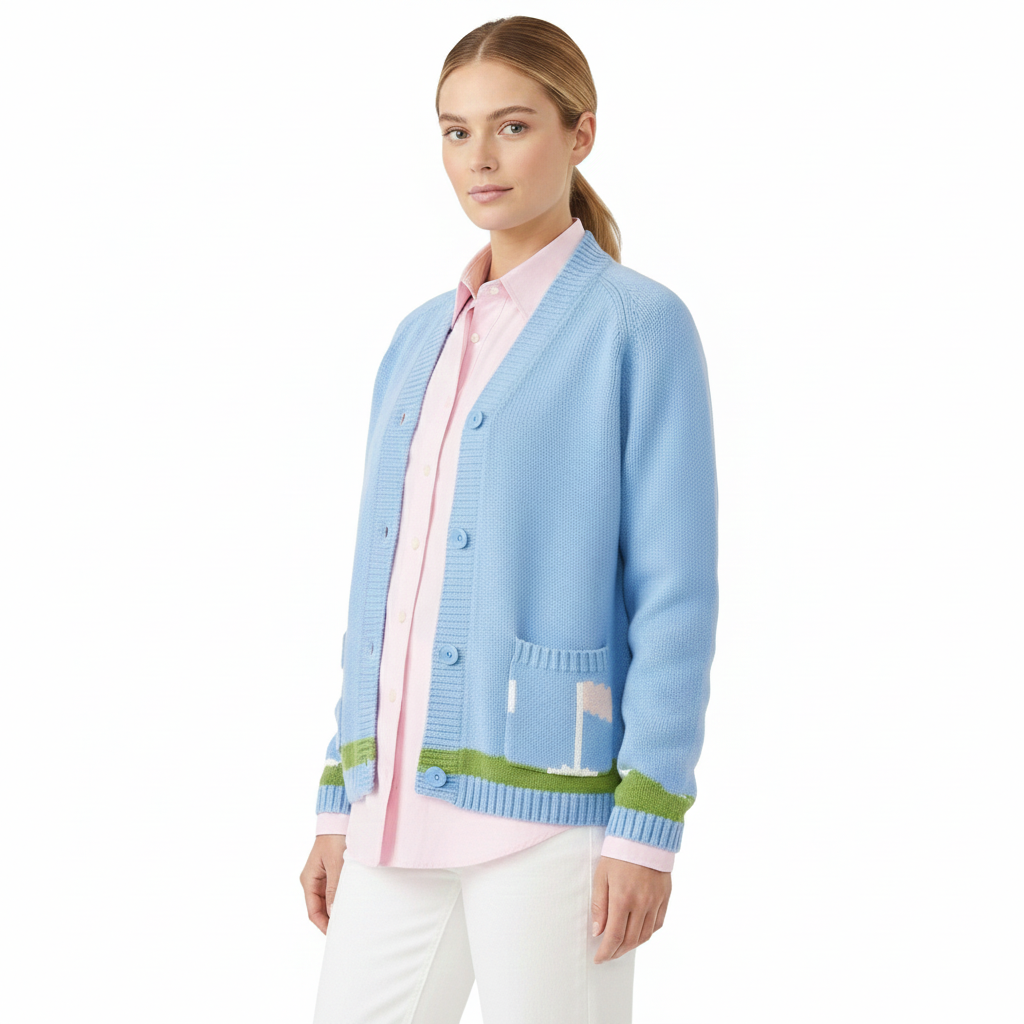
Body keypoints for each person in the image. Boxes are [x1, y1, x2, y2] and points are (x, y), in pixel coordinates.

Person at [299, 15, 719, 1023]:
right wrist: (338, 793)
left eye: (513, 126)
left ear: (581, 134)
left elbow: (674, 591)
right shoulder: (418, 337)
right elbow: (381, 587)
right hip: (393, 810)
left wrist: (647, 824)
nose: (479, 157)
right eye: (456, 131)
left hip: (554, 812)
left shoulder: (637, 324)